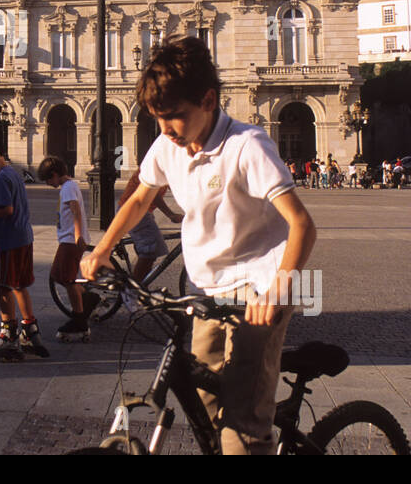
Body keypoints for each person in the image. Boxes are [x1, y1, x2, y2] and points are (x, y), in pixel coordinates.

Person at [80, 35, 317, 455]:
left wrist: (279, 290)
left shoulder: (247, 146)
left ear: (208, 100)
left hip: (259, 285)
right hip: (207, 287)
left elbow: (302, 224)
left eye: (174, 117)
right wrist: (102, 250)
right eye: (157, 118)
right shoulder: (167, 147)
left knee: (241, 424)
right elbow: (139, 199)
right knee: (205, 403)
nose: (166, 129)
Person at [0, 140, 47, 359]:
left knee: (4, 286)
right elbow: (17, 208)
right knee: (20, 285)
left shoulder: (1, 177)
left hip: (10, 240)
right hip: (23, 235)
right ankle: (30, 330)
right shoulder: (13, 173)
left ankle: (7, 336)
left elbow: (7, 209)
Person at [38, 156, 97, 341]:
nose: (48, 184)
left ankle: (79, 319)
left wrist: (78, 234)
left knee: (68, 279)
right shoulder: (67, 187)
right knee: (58, 275)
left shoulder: (69, 187)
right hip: (67, 239)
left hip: (71, 240)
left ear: (55, 175)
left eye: (48, 180)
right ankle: (87, 299)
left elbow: (76, 210)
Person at [114, 169, 184, 313]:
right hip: (134, 210)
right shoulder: (158, 164)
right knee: (150, 249)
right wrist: (170, 214)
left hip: (142, 211)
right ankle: (131, 292)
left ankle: (139, 286)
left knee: (149, 249)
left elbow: (179, 189)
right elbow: (153, 195)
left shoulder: (169, 165)